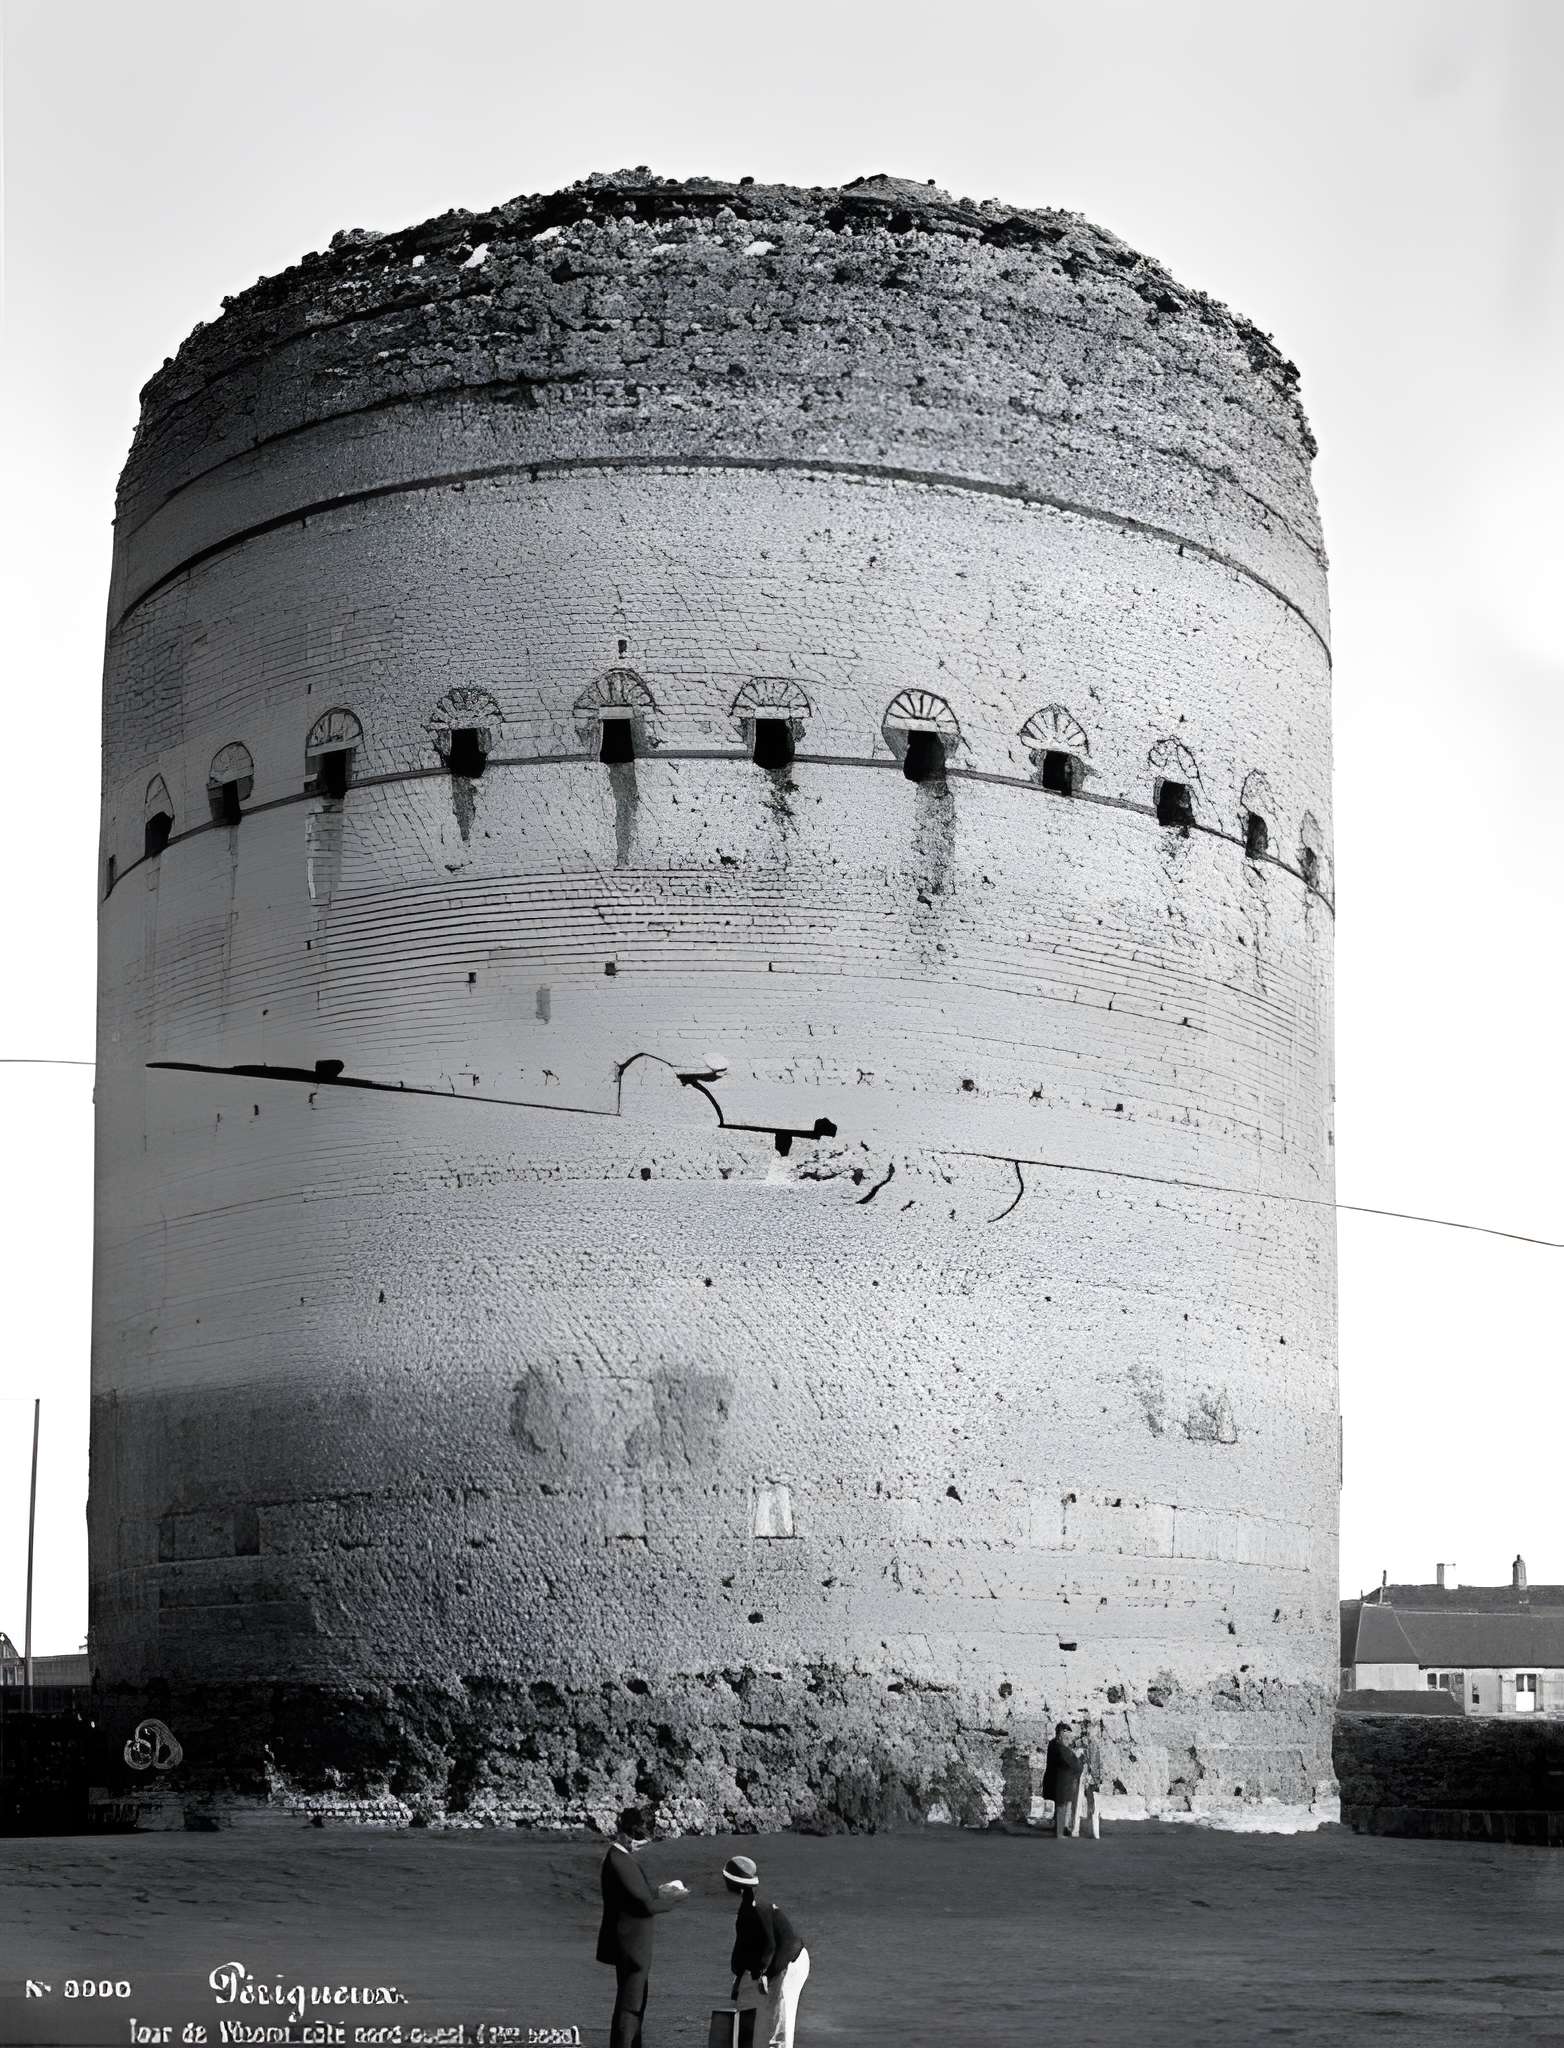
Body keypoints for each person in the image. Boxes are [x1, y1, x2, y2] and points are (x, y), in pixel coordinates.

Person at [596, 1806, 687, 2048]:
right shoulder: (620, 1861)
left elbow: (636, 1894)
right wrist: (673, 1900)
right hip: (632, 1945)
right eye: (637, 1838)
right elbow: (644, 1905)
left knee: (633, 2003)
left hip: (629, 1943)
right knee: (631, 2006)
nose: (639, 1844)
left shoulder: (618, 1859)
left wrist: (659, 1891)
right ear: (625, 1834)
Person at [724, 1852, 811, 2048]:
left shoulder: (758, 1907)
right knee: (769, 2015)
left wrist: (764, 1973)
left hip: (791, 1961)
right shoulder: (747, 1907)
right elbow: (743, 1946)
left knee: (781, 2017)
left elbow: (770, 1944)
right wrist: (738, 1976)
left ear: (735, 1884)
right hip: (775, 1961)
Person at [1042, 1721, 1084, 1838]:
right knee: (1061, 1806)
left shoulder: (1053, 1744)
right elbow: (1074, 1764)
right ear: (1060, 1736)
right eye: (1066, 1737)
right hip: (1061, 1782)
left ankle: (1059, 1830)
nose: (1068, 1740)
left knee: (1060, 1806)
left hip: (1056, 1780)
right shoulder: (1061, 1749)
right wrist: (1078, 1759)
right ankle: (1059, 1833)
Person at [1070, 1716, 1104, 1840]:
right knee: (1078, 1802)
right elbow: (1073, 1756)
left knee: (1093, 1806)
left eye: (1094, 1727)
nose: (1091, 1730)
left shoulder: (1097, 1746)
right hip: (1082, 1775)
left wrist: (1096, 1778)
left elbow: (1099, 1764)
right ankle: (1075, 1829)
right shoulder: (1080, 1742)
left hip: (1091, 1778)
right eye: (1089, 1727)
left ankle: (1094, 1832)